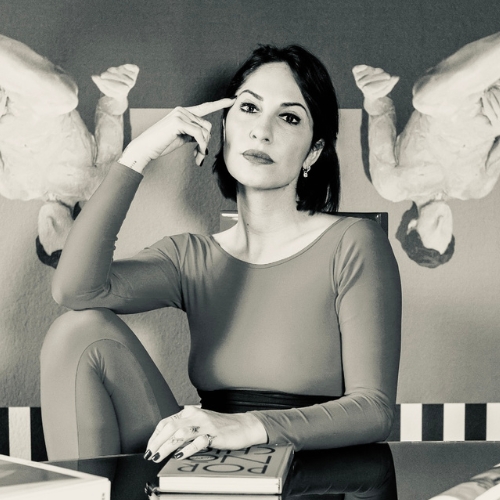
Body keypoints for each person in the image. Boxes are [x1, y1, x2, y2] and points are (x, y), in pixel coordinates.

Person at [40, 45, 402, 462]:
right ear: (225, 127)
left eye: (288, 117)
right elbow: (74, 291)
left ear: (314, 151)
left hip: (309, 473)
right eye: (248, 108)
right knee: (77, 331)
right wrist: (138, 154)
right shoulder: (191, 257)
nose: (261, 131)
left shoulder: (354, 242)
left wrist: (247, 427)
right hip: (208, 464)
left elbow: (374, 410)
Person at [352, 31, 500, 268]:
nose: (444, 222)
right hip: (494, 102)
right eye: (448, 231)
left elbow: (381, 112)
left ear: (412, 225)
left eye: (434, 227)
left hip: (446, 98)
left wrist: (372, 91)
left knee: (424, 99)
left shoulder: (393, 185)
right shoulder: (476, 187)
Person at [0, 33, 138, 266]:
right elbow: (110, 114)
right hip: (46, 99)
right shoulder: (94, 182)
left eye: (44, 236)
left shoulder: (13, 188)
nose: (51, 226)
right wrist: (117, 92)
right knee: (64, 97)